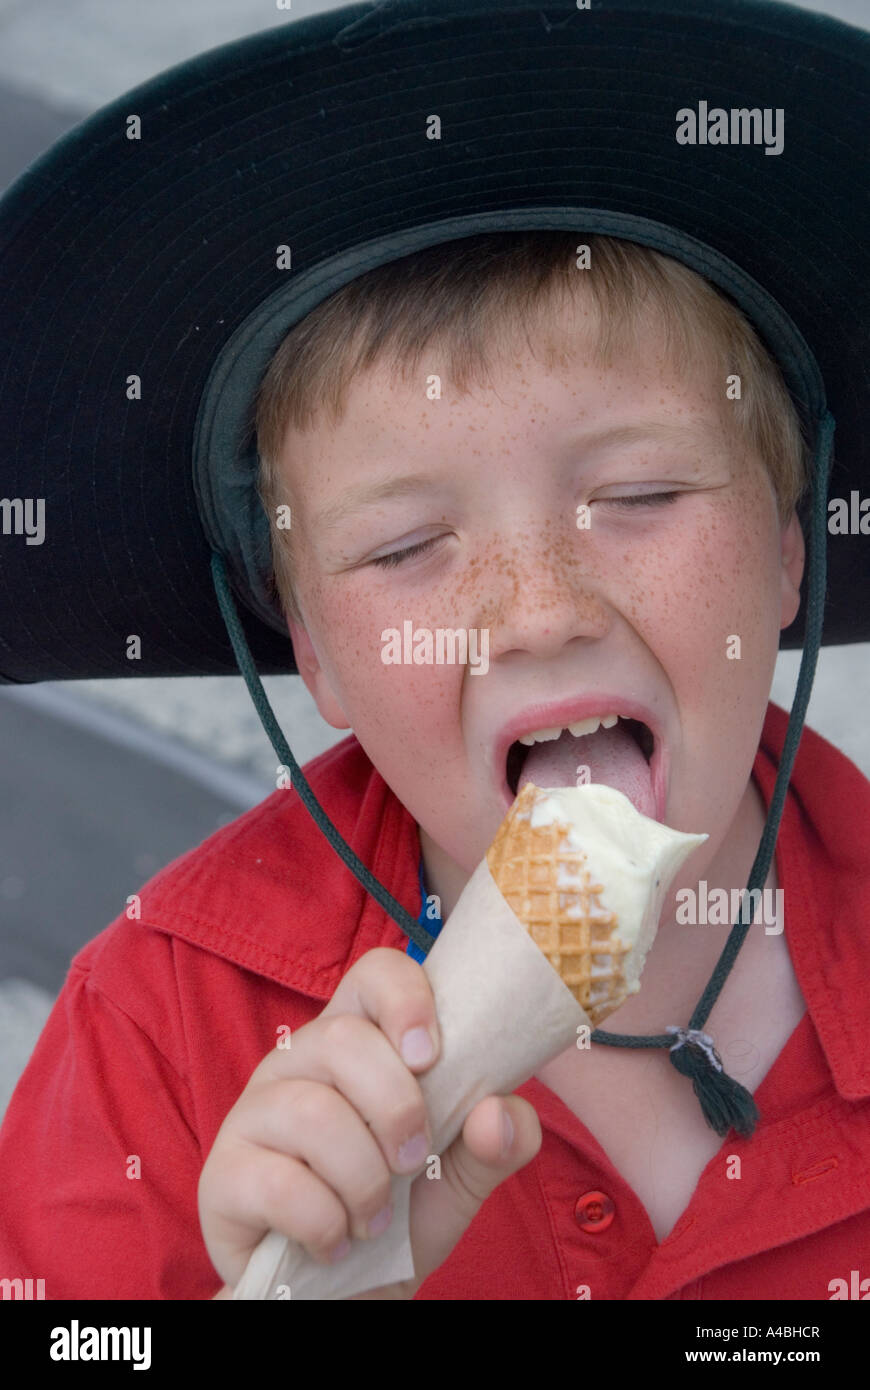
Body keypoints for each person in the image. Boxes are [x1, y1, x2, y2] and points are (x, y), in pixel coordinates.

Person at [0, 0, 867, 1301]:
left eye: (636, 497)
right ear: (315, 656)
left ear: (788, 550)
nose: (538, 608)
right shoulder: (160, 1029)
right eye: (406, 546)